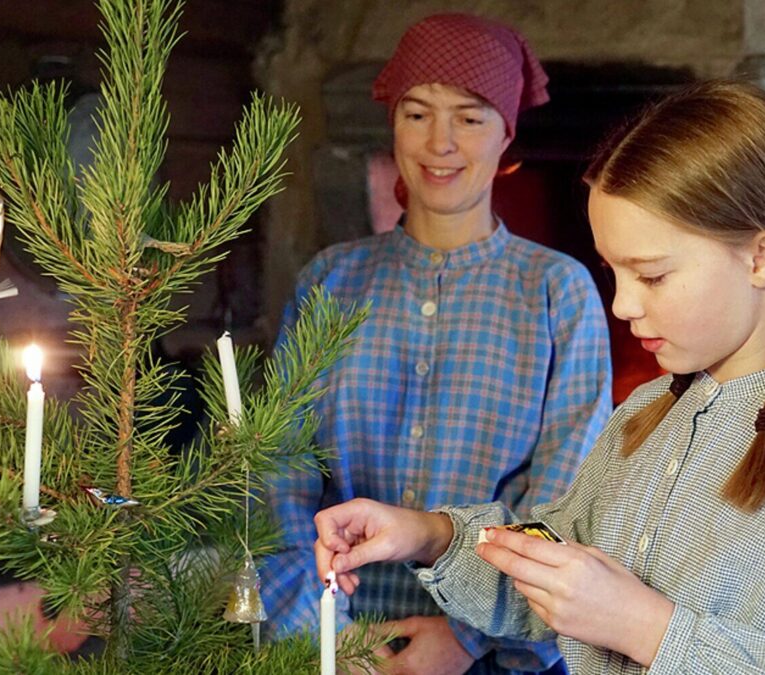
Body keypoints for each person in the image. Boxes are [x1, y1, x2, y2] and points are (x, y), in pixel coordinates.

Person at [313, 80, 765, 674]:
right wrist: (427, 533)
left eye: (653, 275)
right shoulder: (643, 415)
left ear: (763, 257)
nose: (622, 306)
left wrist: (646, 627)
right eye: (614, 273)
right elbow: (556, 569)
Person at [258, 12, 613, 675]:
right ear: (392, 123)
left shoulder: (557, 293)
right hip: (329, 642)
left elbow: (568, 506)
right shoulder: (330, 280)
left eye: (470, 117)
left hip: (495, 656)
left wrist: (465, 641)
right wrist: (326, 635)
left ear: (507, 133)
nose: (440, 142)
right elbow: (280, 471)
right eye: (417, 114)